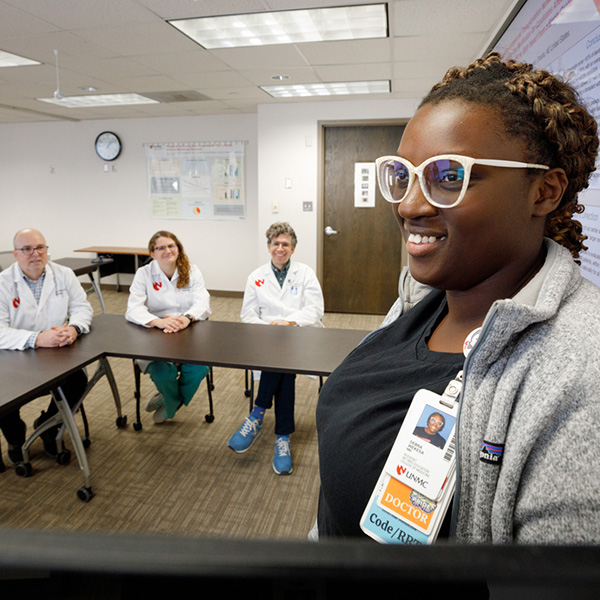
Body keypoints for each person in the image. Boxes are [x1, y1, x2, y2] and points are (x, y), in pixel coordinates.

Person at [316, 52, 600, 544]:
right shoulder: (425, 301)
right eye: (402, 174)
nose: (408, 204)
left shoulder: (581, 369)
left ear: (544, 191)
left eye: (449, 176)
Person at [227, 222, 324, 475]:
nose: (280, 248)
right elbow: (247, 315)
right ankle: (282, 437)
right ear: (268, 246)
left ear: (293, 248)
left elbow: (315, 309)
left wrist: (289, 322)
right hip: (267, 337)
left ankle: (257, 413)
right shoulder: (256, 276)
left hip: (299, 333)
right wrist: (271, 327)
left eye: (285, 244)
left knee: (282, 361)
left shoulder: (305, 273)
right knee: (283, 367)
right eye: (275, 243)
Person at [0, 228, 92, 464]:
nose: (35, 253)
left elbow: (82, 307)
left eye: (40, 247)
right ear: (15, 254)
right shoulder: (3, 283)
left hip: (55, 355)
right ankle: (16, 440)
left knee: (78, 379)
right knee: (4, 398)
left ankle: (48, 426)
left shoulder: (63, 274)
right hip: (13, 359)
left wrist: (74, 328)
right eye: (27, 249)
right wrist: (37, 339)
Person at [125, 231, 211, 424]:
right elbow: (132, 309)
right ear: (152, 253)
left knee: (200, 368)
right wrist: (158, 322)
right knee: (162, 372)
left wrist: (187, 318)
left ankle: (168, 402)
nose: (167, 251)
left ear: (178, 249)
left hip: (189, 330)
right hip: (157, 332)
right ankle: (173, 404)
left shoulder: (192, 271)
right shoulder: (144, 274)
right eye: (161, 247)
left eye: (171, 246)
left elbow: (203, 302)